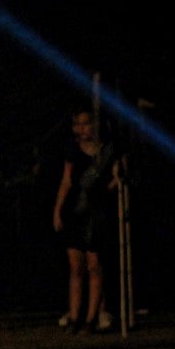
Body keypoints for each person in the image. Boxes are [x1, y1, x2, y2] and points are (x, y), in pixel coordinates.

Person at [52, 106, 122, 334]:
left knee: (94, 265)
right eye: (78, 124)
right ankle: (74, 316)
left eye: (86, 124)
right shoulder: (73, 149)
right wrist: (58, 210)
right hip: (75, 210)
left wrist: (109, 186)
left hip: (98, 212)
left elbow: (116, 179)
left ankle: (92, 318)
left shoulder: (108, 150)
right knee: (75, 266)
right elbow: (66, 181)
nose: (81, 129)